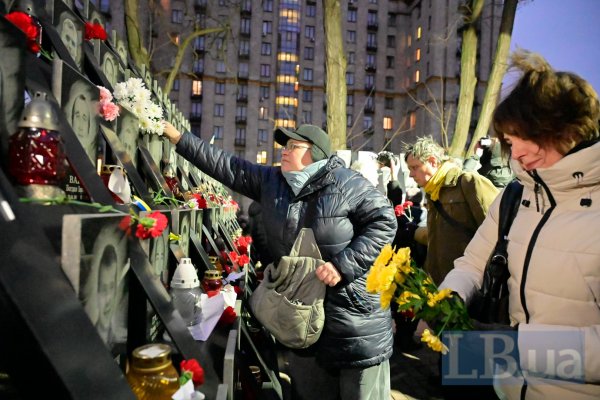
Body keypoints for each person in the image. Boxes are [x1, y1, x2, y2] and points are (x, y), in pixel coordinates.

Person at [163, 122, 397, 400]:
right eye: (284, 146)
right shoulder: (273, 182)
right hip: (299, 318)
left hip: (354, 320)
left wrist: (343, 266)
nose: (284, 151)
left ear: (316, 153)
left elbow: (384, 221)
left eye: (293, 146)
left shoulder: (346, 183)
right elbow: (228, 166)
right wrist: (178, 138)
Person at [440, 50, 600, 400]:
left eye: (524, 137)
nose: (516, 155)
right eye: (509, 142)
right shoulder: (516, 196)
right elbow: (472, 263)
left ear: (567, 129)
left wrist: (515, 348)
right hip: (507, 389)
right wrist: (447, 300)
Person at [404, 137, 499, 285]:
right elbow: (439, 237)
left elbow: (498, 233)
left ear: (432, 161)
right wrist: (412, 230)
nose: (411, 174)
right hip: (443, 287)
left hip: (471, 285)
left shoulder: (469, 182)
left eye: (414, 167)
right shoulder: (432, 192)